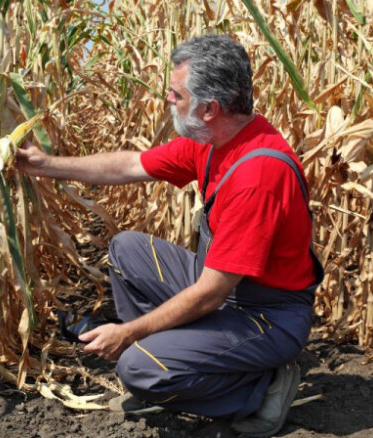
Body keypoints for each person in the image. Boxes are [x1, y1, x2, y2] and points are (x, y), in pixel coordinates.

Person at [16, 34, 323, 437]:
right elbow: (130, 166)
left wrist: (128, 334)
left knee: (137, 366)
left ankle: (260, 387)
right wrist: (44, 164)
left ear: (210, 108)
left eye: (176, 94)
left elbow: (210, 294)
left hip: (267, 315)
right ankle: (178, 360)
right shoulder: (215, 141)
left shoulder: (257, 176)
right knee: (126, 250)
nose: (167, 99)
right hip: (232, 293)